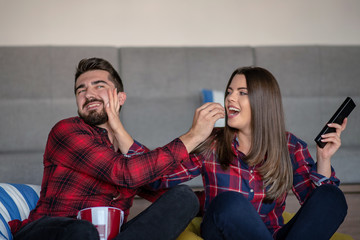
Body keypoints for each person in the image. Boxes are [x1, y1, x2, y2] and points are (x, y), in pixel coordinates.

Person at [8, 57, 225, 240]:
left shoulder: (127, 151)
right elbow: (125, 173)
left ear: (120, 98)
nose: (88, 93)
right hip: (54, 231)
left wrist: (227, 200)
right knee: (83, 230)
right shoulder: (68, 130)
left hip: (109, 236)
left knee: (183, 198)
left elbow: (158, 184)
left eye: (99, 85)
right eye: (80, 90)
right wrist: (194, 136)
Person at [150, 66, 348, 240]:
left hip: (273, 234)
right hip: (222, 232)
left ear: (263, 102)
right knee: (231, 201)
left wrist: (323, 158)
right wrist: (192, 135)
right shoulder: (212, 142)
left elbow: (314, 209)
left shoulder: (290, 146)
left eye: (242, 92)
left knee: (331, 197)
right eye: (229, 92)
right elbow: (156, 178)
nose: (230, 98)